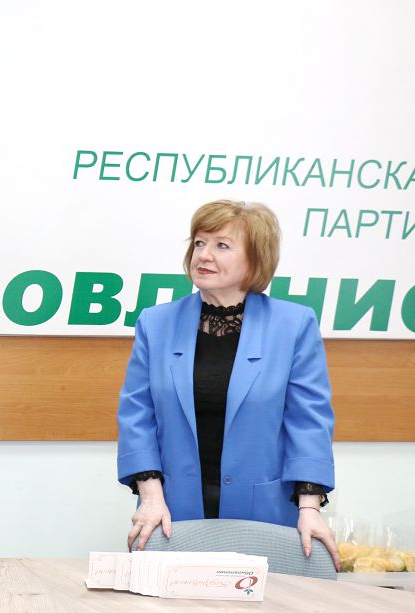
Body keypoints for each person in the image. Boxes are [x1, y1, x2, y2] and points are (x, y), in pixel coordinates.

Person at [117, 200, 339, 569]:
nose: (204, 255)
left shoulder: (294, 325)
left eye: (222, 245)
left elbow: (309, 422)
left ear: (255, 260)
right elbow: (137, 415)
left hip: (265, 513)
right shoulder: (155, 323)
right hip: (172, 511)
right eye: (199, 243)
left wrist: (310, 508)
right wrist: (151, 496)